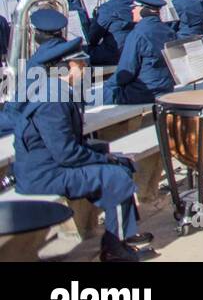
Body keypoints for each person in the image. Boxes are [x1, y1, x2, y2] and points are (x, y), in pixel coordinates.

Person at [9, 20, 155, 262]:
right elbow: (66, 154)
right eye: (80, 64)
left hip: (50, 166)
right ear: (65, 68)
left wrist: (108, 157)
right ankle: (114, 249)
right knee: (116, 177)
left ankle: (122, 235)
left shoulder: (58, 91)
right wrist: (103, 158)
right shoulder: (52, 100)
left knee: (120, 166)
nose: (84, 69)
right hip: (43, 175)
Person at [111, 0, 177, 104]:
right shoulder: (169, 31)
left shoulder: (138, 33)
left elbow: (125, 73)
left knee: (94, 95)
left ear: (143, 10)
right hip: (166, 87)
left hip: (144, 92)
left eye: (134, 7)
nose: (131, 11)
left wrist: (108, 85)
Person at [86, 0, 133, 66]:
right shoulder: (135, 2)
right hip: (133, 50)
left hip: (116, 53)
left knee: (83, 55)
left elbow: (93, 38)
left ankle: (90, 80)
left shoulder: (107, 8)